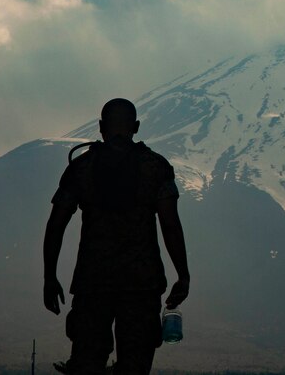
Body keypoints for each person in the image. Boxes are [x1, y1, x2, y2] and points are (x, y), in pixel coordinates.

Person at [44, 98, 190, 375]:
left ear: (100, 127)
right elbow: (170, 224)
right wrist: (182, 275)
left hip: (92, 283)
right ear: (136, 127)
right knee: (135, 365)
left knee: (87, 363)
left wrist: (49, 276)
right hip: (142, 285)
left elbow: (56, 224)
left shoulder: (82, 167)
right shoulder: (156, 167)